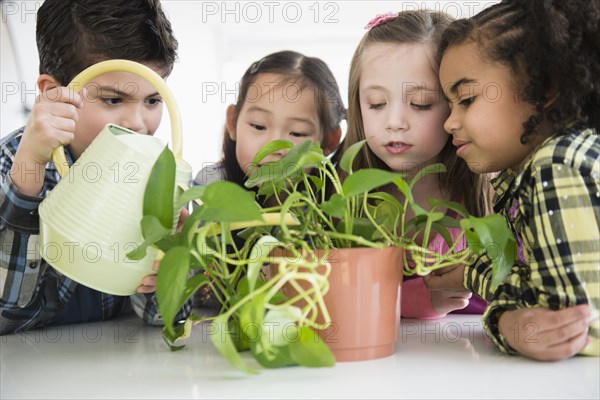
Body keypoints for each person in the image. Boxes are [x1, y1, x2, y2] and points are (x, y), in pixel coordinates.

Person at [0, 0, 190, 334]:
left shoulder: (159, 175)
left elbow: (166, 318)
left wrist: (172, 263)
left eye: (153, 100)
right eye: (113, 100)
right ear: (53, 93)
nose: (139, 124)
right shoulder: (14, 160)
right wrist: (28, 170)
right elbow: (7, 316)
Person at [426, 0, 599, 361]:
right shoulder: (536, 169)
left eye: (467, 99)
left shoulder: (558, 163)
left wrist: (475, 279)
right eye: (449, 103)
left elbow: (572, 325)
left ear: (543, 89)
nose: (449, 122)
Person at [340, 10, 493, 319]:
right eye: (376, 104)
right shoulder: (339, 192)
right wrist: (412, 300)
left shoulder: (493, 194)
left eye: (421, 104)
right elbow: (329, 294)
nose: (394, 122)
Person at [191, 50, 345, 307]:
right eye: (259, 126)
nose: (275, 146)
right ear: (233, 123)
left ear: (329, 141)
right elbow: (202, 293)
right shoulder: (214, 187)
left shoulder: (332, 200)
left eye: (296, 133)